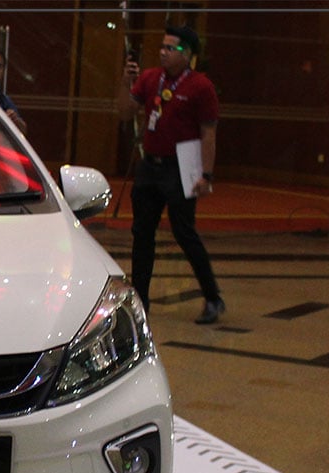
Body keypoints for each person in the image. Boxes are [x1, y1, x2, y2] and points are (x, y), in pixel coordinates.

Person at [117, 25, 224, 325]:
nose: (163, 52)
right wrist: (126, 82)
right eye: (162, 46)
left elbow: (208, 133)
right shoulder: (151, 78)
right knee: (142, 233)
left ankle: (212, 297)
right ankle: (140, 301)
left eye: (170, 48)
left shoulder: (201, 86)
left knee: (184, 232)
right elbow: (125, 112)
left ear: (187, 54)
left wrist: (206, 175)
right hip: (149, 167)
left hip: (181, 167)